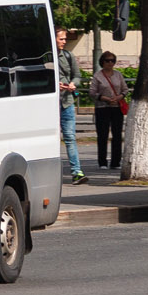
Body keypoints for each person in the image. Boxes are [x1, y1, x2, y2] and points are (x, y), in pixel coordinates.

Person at [56, 28, 87, 184]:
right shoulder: (46, 58)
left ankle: (77, 172)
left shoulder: (68, 56)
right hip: (50, 105)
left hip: (67, 102)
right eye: (61, 39)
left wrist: (73, 84)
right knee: (52, 140)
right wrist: (55, 85)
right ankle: (52, 174)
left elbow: (77, 75)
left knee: (70, 138)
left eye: (65, 39)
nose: (64, 41)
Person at [90, 52, 128, 170]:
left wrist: (120, 97)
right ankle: (102, 162)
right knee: (103, 135)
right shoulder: (98, 76)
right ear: (102, 62)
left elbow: (125, 89)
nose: (110, 63)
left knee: (117, 135)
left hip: (117, 108)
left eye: (112, 60)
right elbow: (92, 92)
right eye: (107, 60)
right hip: (102, 108)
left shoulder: (118, 75)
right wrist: (104, 98)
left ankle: (116, 162)